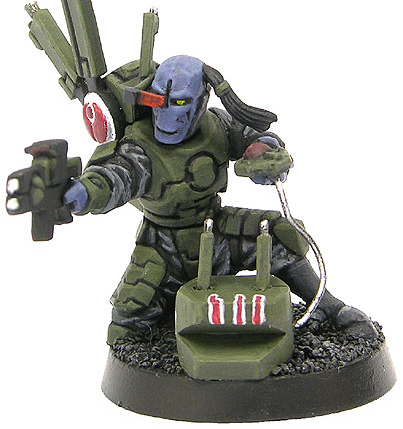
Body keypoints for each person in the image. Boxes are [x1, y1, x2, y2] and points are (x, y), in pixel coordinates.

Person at [64, 55, 377, 344]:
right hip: (161, 247)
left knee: (280, 234)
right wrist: (82, 193)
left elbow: (254, 137)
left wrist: (263, 152)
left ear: (202, 100)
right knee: (126, 322)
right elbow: (116, 176)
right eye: (158, 100)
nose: (167, 114)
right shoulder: (139, 144)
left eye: (180, 102)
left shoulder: (218, 125)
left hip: (216, 234)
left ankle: (328, 307)